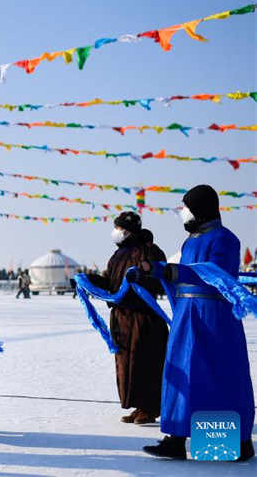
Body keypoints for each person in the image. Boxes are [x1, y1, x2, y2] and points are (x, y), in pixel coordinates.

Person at [143, 185, 254, 461]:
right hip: (187, 314)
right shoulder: (190, 241)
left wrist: (176, 271)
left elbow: (213, 273)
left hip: (213, 318)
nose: (183, 213)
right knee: (180, 372)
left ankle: (230, 442)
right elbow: (181, 273)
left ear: (201, 209)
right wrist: (153, 271)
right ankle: (176, 438)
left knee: (215, 376)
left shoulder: (225, 240)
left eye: (187, 207)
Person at [85, 212, 168, 425]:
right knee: (126, 364)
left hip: (143, 317)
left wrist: (143, 276)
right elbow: (109, 282)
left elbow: (161, 281)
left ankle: (149, 408)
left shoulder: (150, 251)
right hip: (121, 318)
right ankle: (137, 406)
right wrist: (88, 280)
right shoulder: (118, 255)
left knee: (145, 362)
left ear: (128, 231)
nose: (116, 232)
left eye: (119, 228)